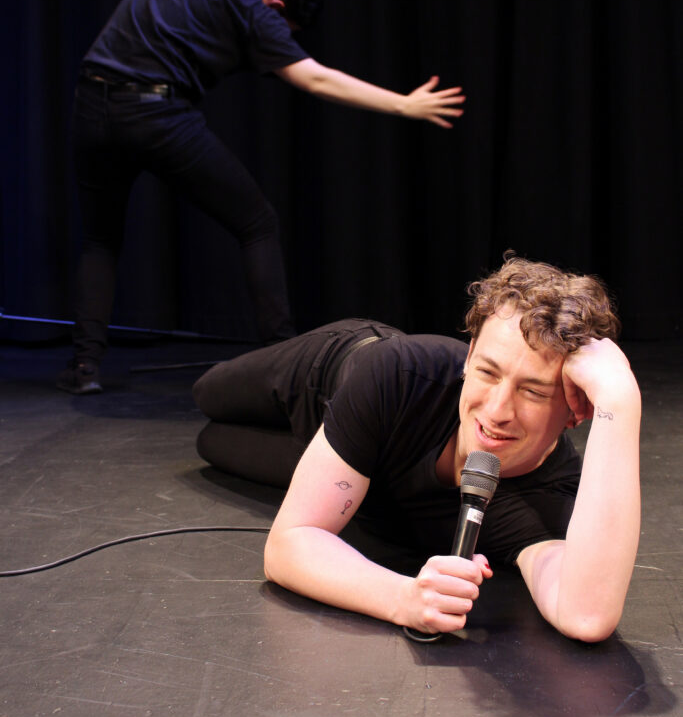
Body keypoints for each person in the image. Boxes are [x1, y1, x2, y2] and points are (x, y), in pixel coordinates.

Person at [58, 0, 465, 394]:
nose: (282, 44)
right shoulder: (256, 15)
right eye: (287, 33)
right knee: (257, 222)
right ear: (276, 9)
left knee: (100, 238)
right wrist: (404, 103)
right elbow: (314, 77)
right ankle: (287, 360)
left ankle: (84, 367)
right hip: (155, 114)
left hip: (90, 100)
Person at [193, 255, 642, 643]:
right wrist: (401, 599)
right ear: (468, 358)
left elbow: (586, 617)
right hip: (324, 374)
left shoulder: (547, 496)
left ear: (575, 410)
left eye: (534, 392)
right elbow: (285, 549)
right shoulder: (399, 374)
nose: (498, 409)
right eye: (487, 372)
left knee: (210, 443)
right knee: (207, 394)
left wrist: (619, 399)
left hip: (352, 455)